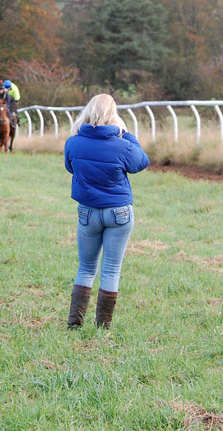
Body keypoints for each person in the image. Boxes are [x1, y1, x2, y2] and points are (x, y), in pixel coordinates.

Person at [63, 93, 149, 329]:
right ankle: (102, 326)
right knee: (111, 270)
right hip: (119, 213)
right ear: (114, 115)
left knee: (86, 268)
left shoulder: (73, 143)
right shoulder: (123, 145)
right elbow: (141, 162)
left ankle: (75, 322)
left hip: (88, 212)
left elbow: (70, 167)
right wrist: (128, 134)